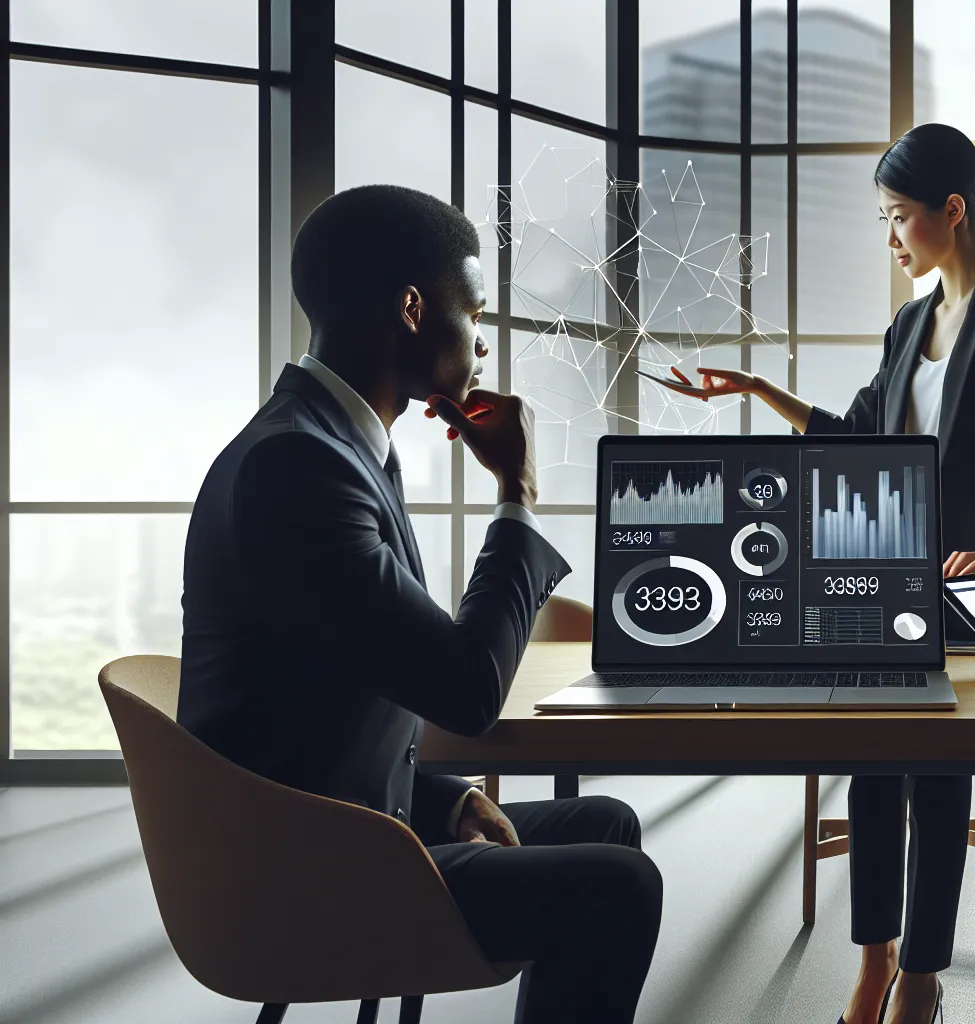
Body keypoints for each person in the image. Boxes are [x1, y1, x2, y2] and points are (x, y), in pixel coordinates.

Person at [178, 185, 662, 1024]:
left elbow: (313, 711)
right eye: (473, 311)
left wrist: (446, 800)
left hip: (341, 820)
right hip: (310, 871)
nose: (480, 341)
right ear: (411, 308)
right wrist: (517, 490)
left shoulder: (328, 445)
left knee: (606, 822)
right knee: (616, 886)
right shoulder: (299, 470)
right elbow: (466, 691)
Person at [650, 123, 975, 1024]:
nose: (889, 237)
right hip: (883, 578)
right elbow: (857, 434)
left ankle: (923, 973)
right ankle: (874, 960)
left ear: (952, 211)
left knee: (940, 772)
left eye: (898, 217)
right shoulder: (909, 321)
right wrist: (756, 392)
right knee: (872, 766)